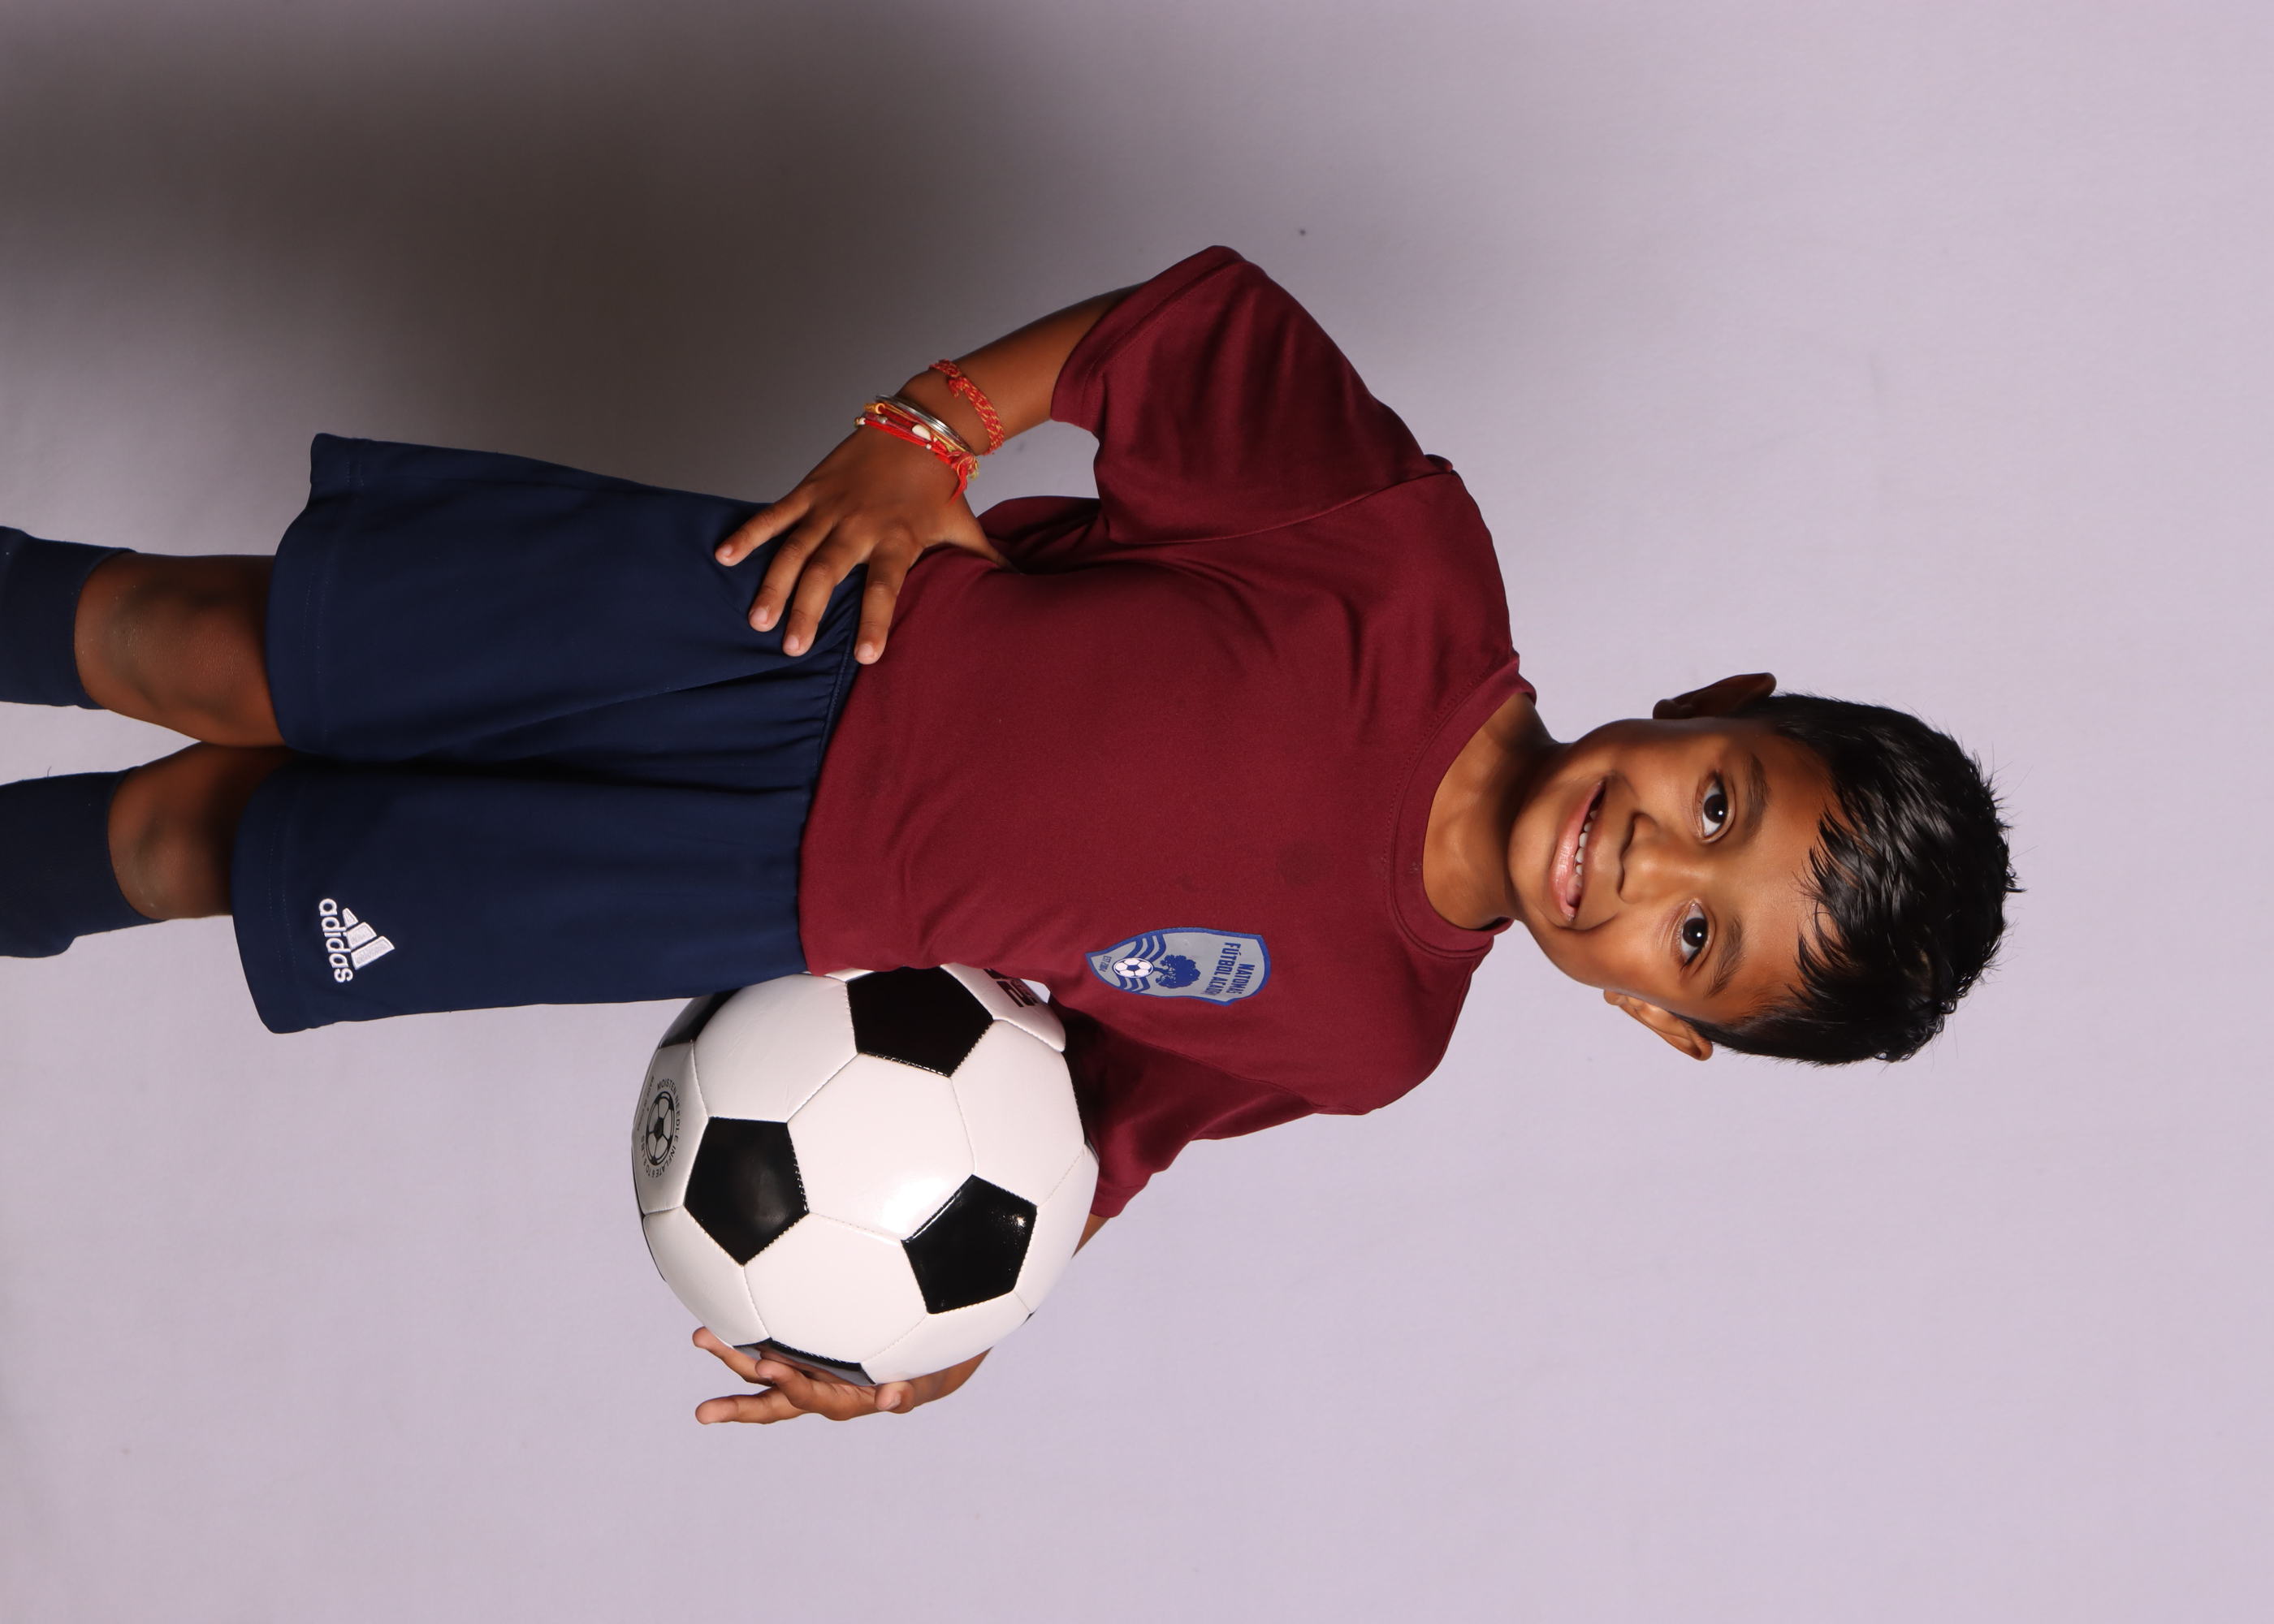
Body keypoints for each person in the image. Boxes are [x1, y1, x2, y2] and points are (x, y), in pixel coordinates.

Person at [0, 246, 2016, 1425]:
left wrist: (933, 1332)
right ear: (1722, 700)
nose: (1649, 865)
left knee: (229, 858)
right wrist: (927, 432)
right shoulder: (1405, 567)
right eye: (1719, 804)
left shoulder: (1366, 1038)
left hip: (739, 897)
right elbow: (1185, 332)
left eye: (1696, 939)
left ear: (1667, 1021)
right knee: (218, 648)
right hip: (775, 634)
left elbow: (1088, 1128)